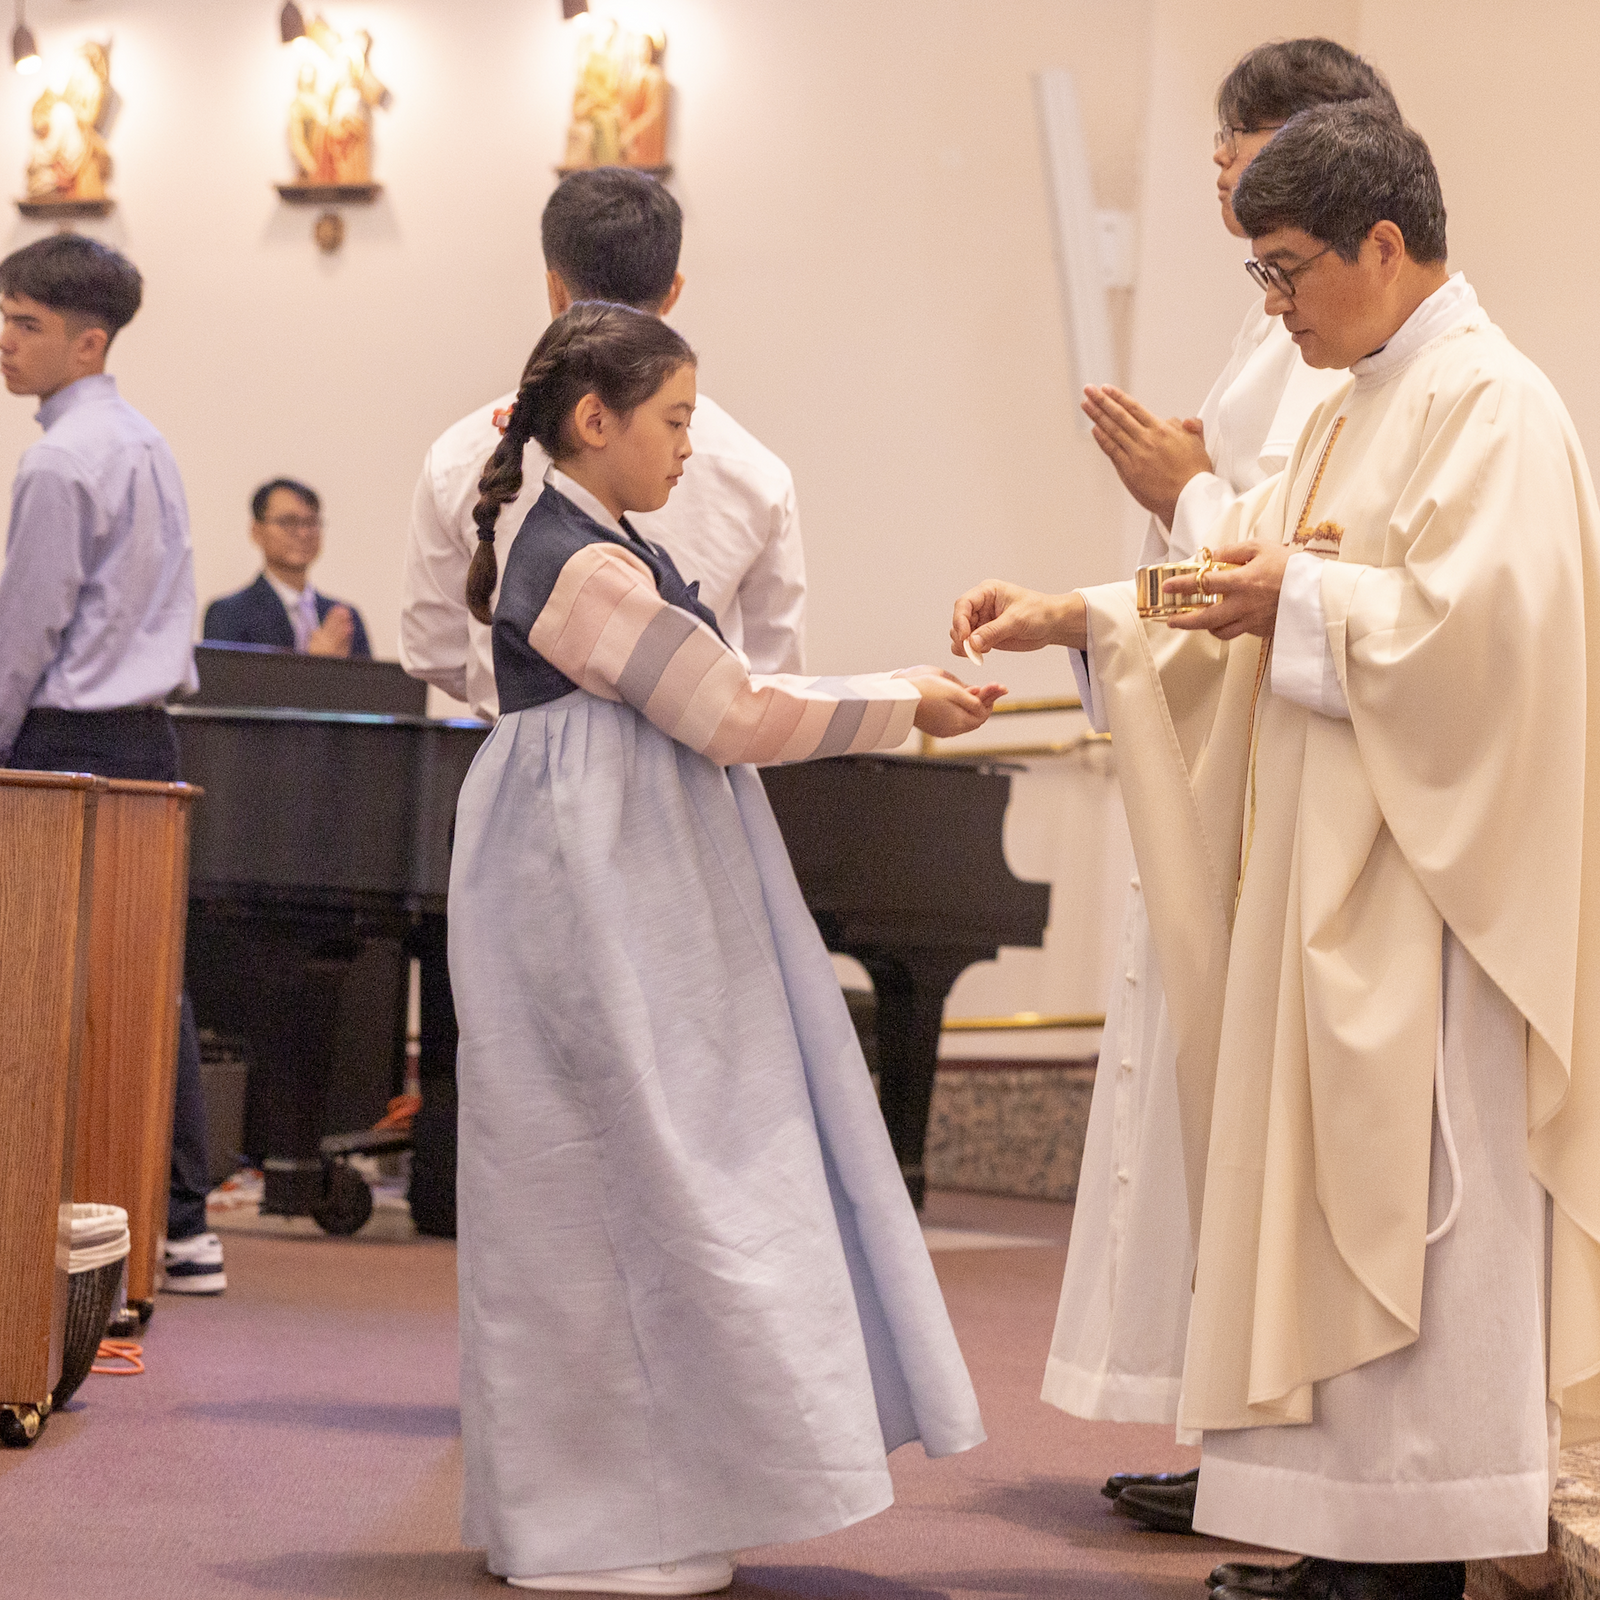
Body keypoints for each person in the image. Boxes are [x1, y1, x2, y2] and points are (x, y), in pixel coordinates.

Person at [954, 103, 1600, 1600]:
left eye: (1288, 269)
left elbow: (1489, 636)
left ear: (1386, 245)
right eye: (1260, 273)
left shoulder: (1495, 405)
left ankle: (1422, 1539)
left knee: (1421, 1221)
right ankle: (1346, 1532)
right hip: (1333, 884)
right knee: (1323, 1207)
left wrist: (1299, 607)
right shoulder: (1353, 403)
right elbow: (1252, 549)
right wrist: (1086, 613)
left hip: (1436, 911)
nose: (1274, 306)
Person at [452, 301, 994, 1594]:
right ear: (597, 420)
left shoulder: (603, 540)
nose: (691, 445)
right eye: (676, 418)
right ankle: (595, 1516)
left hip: (621, 885)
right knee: (614, 1188)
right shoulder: (577, 564)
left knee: (643, 1183)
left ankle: (641, 1495)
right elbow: (729, 709)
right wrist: (902, 701)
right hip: (588, 906)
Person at [1044, 39, 1393, 1540]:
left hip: (1306, 792)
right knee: (1213, 1127)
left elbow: (1313, 556)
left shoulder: (1422, 378)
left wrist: (1182, 492)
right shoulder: (1290, 336)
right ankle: (1232, 1432)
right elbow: (1259, 533)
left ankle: (1278, 1459)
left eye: (1241, 146)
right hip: (1229, 748)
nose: (1219, 172)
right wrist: (1101, 605)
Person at [399, 165, 806, 1239]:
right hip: (687, 810)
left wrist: (540, 700)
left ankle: (546, 1367)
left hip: (526, 794)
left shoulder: (460, 451)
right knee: (685, 1096)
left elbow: (430, 642)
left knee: (530, 1093)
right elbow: (768, 665)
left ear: (548, 282)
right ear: (674, 290)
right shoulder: (756, 470)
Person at [0, 233, 222, 1296]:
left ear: (89, 341)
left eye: (27, 324)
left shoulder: (57, 459)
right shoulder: (148, 443)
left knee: (38, 986)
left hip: (62, 743)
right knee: (146, 988)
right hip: (145, 737)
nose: (4, 339)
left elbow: (21, 640)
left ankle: (51, 1202)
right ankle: (179, 1224)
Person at [203, 478, 371, 658]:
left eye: (311, 522)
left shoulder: (344, 617)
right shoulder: (229, 613)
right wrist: (316, 666)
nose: (303, 533)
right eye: (288, 522)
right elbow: (228, 684)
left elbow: (368, 684)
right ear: (256, 531)